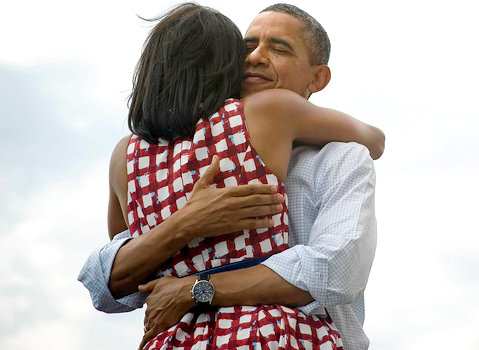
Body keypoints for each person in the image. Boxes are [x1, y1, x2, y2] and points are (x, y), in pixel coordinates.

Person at [79, 3, 382, 349]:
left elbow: (335, 270)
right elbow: (115, 274)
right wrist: (187, 221)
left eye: (278, 48)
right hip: (270, 334)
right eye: (246, 47)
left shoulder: (129, 156)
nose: (254, 57)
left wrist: (195, 288)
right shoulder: (259, 119)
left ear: (317, 78)